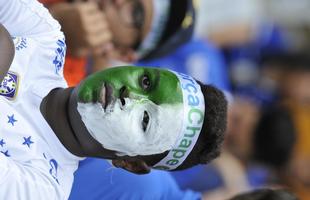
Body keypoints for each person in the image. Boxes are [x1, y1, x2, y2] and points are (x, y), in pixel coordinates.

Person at [0, 0, 227, 199]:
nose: (130, 96)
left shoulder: (42, 187)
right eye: (146, 82)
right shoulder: (47, 35)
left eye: (145, 120)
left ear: (129, 163)